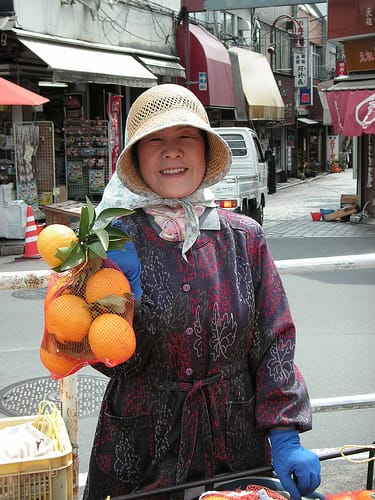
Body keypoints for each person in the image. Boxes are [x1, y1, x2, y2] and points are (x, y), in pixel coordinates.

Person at [84, 84, 320, 500]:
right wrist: (118, 304)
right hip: (140, 451)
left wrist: (285, 437)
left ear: (205, 152)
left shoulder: (245, 239)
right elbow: (104, 357)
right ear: (137, 158)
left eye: (185, 138)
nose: (171, 151)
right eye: (154, 140)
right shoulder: (113, 242)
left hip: (236, 446)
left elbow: (274, 343)